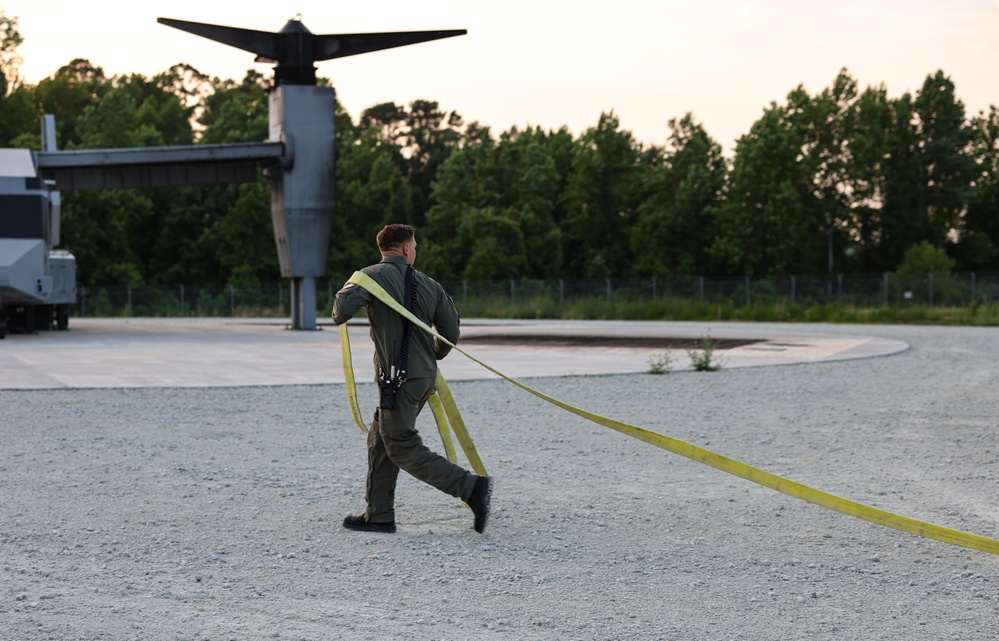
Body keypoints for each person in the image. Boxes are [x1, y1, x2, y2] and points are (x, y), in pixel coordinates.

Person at [332, 224, 492, 534]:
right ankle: (379, 514)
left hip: (396, 379)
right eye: (415, 246)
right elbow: (451, 332)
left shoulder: (369, 278)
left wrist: (353, 282)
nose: (415, 251)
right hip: (422, 377)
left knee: (401, 444)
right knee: (382, 439)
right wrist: (433, 356)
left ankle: (471, 488)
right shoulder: (430, 284)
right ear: (406, 249)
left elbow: (340, 311)